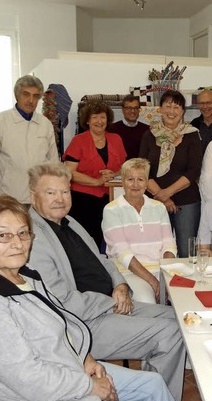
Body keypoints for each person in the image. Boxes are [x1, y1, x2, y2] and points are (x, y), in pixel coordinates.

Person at [0, 196, 183, 401]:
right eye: (3, 236)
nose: (18, 244)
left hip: (68, 371)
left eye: (23, 233)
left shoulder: (25, 276)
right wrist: (90, 387)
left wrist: (86, 358)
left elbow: (62, 322)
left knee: (152, 385)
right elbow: (30, 380)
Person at [26, 162, 186, 401]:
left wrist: (120, 285)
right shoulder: (33, 238)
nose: (60, 199)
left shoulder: (69, 222)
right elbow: (61, 301)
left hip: (111, 301)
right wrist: (110, 300)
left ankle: (152, 397)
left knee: (178, 319)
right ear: (33, 195)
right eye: (51, 192)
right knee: (171, 333)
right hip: (83, 322)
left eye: (65, 191)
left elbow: (104, 259)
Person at [102, 158, 177, 303]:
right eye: (130, 179)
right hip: (129, 272)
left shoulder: (159, 207)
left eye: (141, 179)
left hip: (162, 270)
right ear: (122, 181)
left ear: (147, 182)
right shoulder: (111, 210)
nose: (135, 184)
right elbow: (122, 254)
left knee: (187, 299)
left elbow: (169, 245)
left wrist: (165, 277)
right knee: (147, 302)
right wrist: (154, 283)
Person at [139, 90, 202, 258]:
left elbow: (194, 170)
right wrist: (162, 197)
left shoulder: (191, 134)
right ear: (160, 109)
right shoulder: (149, 134)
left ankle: (184, 284)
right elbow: (142, 169)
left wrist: (167, 193)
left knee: (186, 251)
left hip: (186, 202)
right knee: (156, 250)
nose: (171, 111)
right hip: (155, 200)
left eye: (176, 107)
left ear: (183, 111)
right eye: (167, 106)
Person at [0, 75, 58, 204]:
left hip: (40, 197)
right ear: (17, 95)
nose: (31, 100)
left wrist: (53, 191)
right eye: (26, 94)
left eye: (35, 96)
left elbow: (53, 161)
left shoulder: (45, 124)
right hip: (9, 196)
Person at [64, 100, 127, 248]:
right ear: (87, 120)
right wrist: (97, 181)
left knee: (110, 239)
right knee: (86, 241)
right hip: (83, 201)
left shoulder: (116, 139)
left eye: (103, 117)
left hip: (111, 198)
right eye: (95, 117)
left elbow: (124, 167)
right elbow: (69, 172)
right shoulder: (78, 141)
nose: (99, 121)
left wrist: (113, 174)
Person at [109, 95, 149, 159]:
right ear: (123, 110)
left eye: (136, 108)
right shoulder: (112, 129)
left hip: (141, 167)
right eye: (129, 108)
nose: (132, 111)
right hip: (120, 168)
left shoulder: (147, 130)